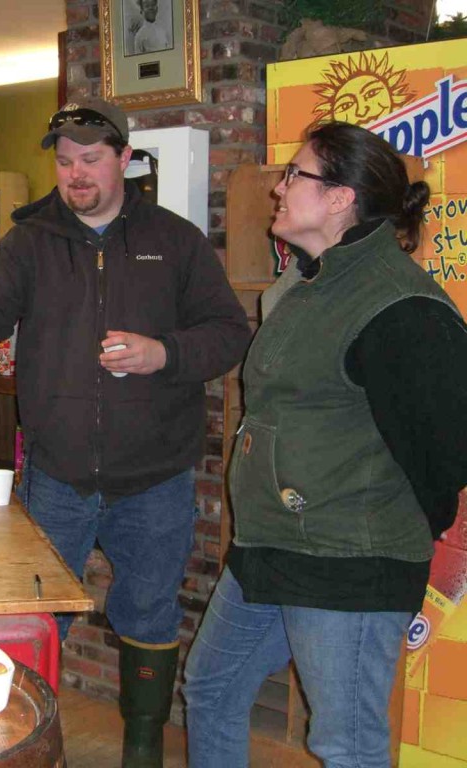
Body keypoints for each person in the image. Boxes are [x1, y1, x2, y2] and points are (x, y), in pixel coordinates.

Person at [0, 97, 250, 767]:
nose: (76, 174)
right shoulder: (29, 241)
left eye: (90, 159)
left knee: (149, 614)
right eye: (64, 162)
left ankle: (141, 751)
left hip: (156, 478)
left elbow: (229, 333)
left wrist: (163, 353)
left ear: (125, 159)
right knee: (35, 620)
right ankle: (27, 749)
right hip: (56, 476)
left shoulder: (175, 240)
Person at [182, 121, 467, 767]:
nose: (278, 188)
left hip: (347, 564)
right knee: (212, 689)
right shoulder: (310, 283)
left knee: (346, 745)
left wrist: (370, 529)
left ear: (340, 198)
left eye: (295, 174)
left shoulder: (399, 305)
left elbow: (445, 455)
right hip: (270, 547)